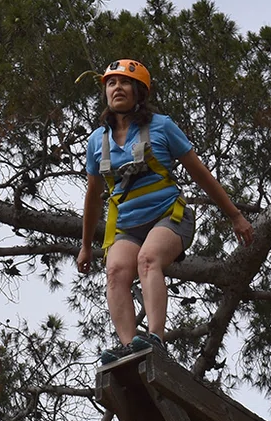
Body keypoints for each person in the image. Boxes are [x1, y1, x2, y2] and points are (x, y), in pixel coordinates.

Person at [77, 58, 254, 364]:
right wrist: (84, 245)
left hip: (169, 216)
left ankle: (155, 339)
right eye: (111, 83)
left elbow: (200, 174)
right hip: (128, 225)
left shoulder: (161, 127)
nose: (117, 88)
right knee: (115, 271)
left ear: (139, 92)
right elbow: (93, 196)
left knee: (148, 259)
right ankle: (129, 348)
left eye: (125, 82)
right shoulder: (97, 141)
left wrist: (235, 215)